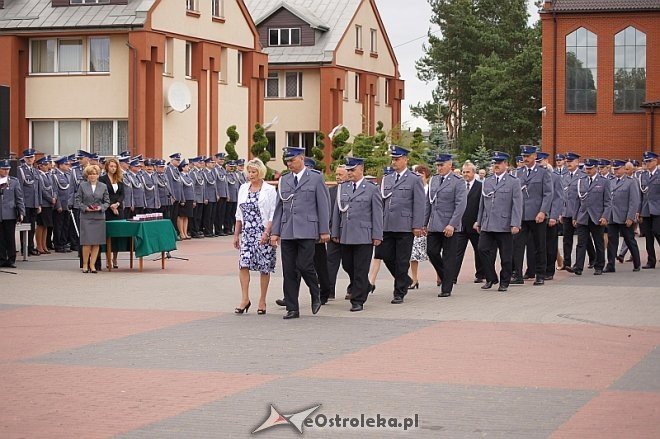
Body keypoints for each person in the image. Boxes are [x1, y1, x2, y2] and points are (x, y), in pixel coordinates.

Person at [270, 147, 330, 319]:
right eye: (287, 161)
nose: (289, 164)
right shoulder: (284, 180)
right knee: (289, 270)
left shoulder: (316, 178)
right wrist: (275, 232)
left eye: (292, 160)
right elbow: (279, 207)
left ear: (301, 158)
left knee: (304, 265)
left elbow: (323, 205)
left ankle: (315, 291)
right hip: (288, 229)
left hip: (308, 229)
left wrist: (324, 230)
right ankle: (292, 307)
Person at [331, 157, 383, 312]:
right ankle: (365, 285)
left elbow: (377, 214)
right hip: (345, 233)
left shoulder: (371, 188)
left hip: (363, 234)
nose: (350, 173)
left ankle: (358, 299)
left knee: (361, 267)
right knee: (347, 264)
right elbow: (337, 212)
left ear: (361, 169)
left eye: (352, 170)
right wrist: (335, 231)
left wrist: (377, 235)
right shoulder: (343, 188)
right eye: (348, 170)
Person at [375, 145, 425, 304]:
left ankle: (399, 292)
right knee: (386, 255)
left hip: (405, 225)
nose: (394, 162)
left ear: (405, 160)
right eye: (393, 159)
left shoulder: (414, 179)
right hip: (387, 224)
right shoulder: (387, 179)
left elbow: (419, 204)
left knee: (402, 260)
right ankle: (405, 279)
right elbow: (382, 202)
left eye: (397, 159)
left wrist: (417, 225)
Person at [233, 158, 277, 315]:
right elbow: (239, 213)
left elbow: (273, 213)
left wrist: (267, 233)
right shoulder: (243, 188)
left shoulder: (270, 190)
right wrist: (236, 234)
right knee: (243, 264)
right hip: (247, 233)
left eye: (254, 172)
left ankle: (262, 300)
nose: (250, 175)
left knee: (264, 267)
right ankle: (245, 299)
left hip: (263, 232)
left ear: (260, 173)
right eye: (249, 172)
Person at [475, 152, 522, 292]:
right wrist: (479, 221)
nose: (496, 165)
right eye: (495, 163)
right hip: (488, 224)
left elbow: (517, 205)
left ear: (506, 165)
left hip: (504, 224)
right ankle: (491, 277)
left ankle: (504, 281)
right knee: (482, 249)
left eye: (500, 163)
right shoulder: (487, 181)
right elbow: (482, 203)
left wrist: (516, 223)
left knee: (506, 256)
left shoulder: (513, 182)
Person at [425, 154, 466, 297]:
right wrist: (424, 223)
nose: (439, 168)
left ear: (450, 165)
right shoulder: (434, 180)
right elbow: (428, 203)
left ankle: (446, 288)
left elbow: (460, 205)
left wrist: (452, 225)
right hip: (435, 224)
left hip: (449, 226)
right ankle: (445, 275)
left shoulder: (458, 181)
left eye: (441, 165)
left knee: (449, 257)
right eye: (437, 165)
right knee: (431, 251)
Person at [512, 145, 553, 286]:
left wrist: (543, 211)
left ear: (535, 156)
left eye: (528, 156)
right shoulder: (519, 172)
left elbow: (548, 193)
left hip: (537, 215)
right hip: (521, 216)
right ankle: (517, 274)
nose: (525, 159)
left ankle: (540, 274)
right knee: (517, 246)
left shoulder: (543, 172)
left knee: (539, 246)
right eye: (523, 156)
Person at [570, 158, 612, 276]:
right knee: (581, 243)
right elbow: (577, 201)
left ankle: (599, 266)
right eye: (586, 168)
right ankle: (578, 267)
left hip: (597, 217)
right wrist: (575, 217)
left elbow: (608, 202)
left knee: (598, 242)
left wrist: (605, 216)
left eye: (590, 168)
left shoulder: (604, 182)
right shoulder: (581, 181)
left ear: (596, 168)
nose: (587, 171)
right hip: (583, 216)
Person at [560, 152, 595, 271]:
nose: (568, 164)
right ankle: (567, 262)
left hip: (580, 212)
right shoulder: (564, 175)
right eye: (567, 162)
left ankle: (592, 258)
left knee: (584, 238)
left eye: (570, 162)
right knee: (567, 238)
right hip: (566, 212)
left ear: (576, 162)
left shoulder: (583, 176)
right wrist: (561, 212)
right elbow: (562, 196)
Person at [605, 159, 641, 272]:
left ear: (623, 169)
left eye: (618, 169)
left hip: (624, 217)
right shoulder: (610, 181)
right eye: (614, 169)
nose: (616, 171)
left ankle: (637, 263)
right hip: (612, 216)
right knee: (611, 241)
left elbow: (634, 201)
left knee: (630, 240)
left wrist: (630, 217)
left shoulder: (631, 182)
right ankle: (610, 265)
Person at [453, 161, 485, 284]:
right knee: (457, 252)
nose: (465, 174)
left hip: (474, 225)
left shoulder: (480, 186)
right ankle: (453, 276)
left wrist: (479, 221)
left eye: (468, 172)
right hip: (460, 225)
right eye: (463, 172)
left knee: (479, 250)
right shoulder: (458, 185)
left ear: (474, 173)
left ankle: (480, 274)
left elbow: (482, 206)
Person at [75, 165, 110, 273]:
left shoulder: (103, 186)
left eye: (95, 173)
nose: (92, 176)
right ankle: (85, 264)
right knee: (87, 242)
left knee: (96, 242)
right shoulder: (82, 185)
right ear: (87, 175)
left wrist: (101, 207)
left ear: (98, 175)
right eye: (90, 174)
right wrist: (85, 208)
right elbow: (77, 200)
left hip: (99, 217)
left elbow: (107, 201)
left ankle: (93, 265)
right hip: (86, 217)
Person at [327, 165, 349, 301]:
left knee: (349, 264)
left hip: (349, 235)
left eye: (341, 174)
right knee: (330, 262)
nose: (337, 177)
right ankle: (329, 290)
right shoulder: (331, 191)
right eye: (336, 174)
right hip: (333, 234)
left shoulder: (352, 191)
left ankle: (354, 288)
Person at [99, 157, 125, 269]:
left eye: (115, 166)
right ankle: (108, 259)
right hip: (108, 209)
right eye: (111, 166)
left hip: (118, 209)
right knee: (108, 235)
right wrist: (110, 206)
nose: (113, 168)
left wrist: (117, 204)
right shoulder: (102, 179)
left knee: (117, 236)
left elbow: (122, 194)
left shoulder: (119, 178)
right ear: (107, 167)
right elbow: (103, 194)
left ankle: (115, 258)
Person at [0, 159, 25, 268]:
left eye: (7, 169)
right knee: (1, 238)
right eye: (3, 169)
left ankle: (11, 259)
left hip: (10, 213)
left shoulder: (14, 181)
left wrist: (21, 212)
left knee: (10, 237)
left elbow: (19, 198)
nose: (6, 171)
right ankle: (1, 259)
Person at [409, 164, 431, 289]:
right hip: (416, 226)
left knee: (432, 252)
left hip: (428, 226)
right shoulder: (413, 188)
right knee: (414, 254)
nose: (419, 178)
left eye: (421, 175)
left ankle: (440, 275)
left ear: (426, 177)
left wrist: (426, 224)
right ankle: (414, 278)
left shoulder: (429, 189)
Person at [18, 149, 40, 256]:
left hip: (34, 203)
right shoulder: (21, 170)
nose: (30, 159)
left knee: (32, 226)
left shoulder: (35, 170)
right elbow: (20, 189)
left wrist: (38, 203)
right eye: (28, 158)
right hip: (25, 203)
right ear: (24, 159)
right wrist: (20, 205)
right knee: (25, 227)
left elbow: (38, 188)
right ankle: (24, 248)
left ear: (34, 158)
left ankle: (31, 247)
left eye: (31, 157)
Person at [639, 151, 660, 268]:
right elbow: (641, 195)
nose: (647, 163)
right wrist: (639, 211)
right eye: (645, 161)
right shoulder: (643, 175)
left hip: (658, 208)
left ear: (655, 161)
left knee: (657, 231)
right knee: (648, 235)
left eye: (649, 161)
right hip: (646, 209)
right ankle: (651, 261)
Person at [35, 156, 55, 255]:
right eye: (45, 165)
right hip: (43, 202)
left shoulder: (48, 175)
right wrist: (50, 199)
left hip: (49, 203)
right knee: (41, 225)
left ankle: (44, 245)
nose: (48, 166)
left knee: (46, 225)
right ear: (40, 166)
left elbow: (53, 188)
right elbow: (42, 189)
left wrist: (54, 197)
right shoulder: (39, 175)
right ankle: (39, 246)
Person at [177, 160, 195, 240]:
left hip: (190, 198)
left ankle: (185, 232)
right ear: (183, 167)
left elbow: (192, 188)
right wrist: (182, 199)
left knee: (187, 216)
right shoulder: (180, 176)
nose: (188, 167)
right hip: (184, 199)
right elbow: (181, 189)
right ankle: (181, 232)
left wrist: (194, 199)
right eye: (186, 166)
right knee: (181, 216)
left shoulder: (188, 176)